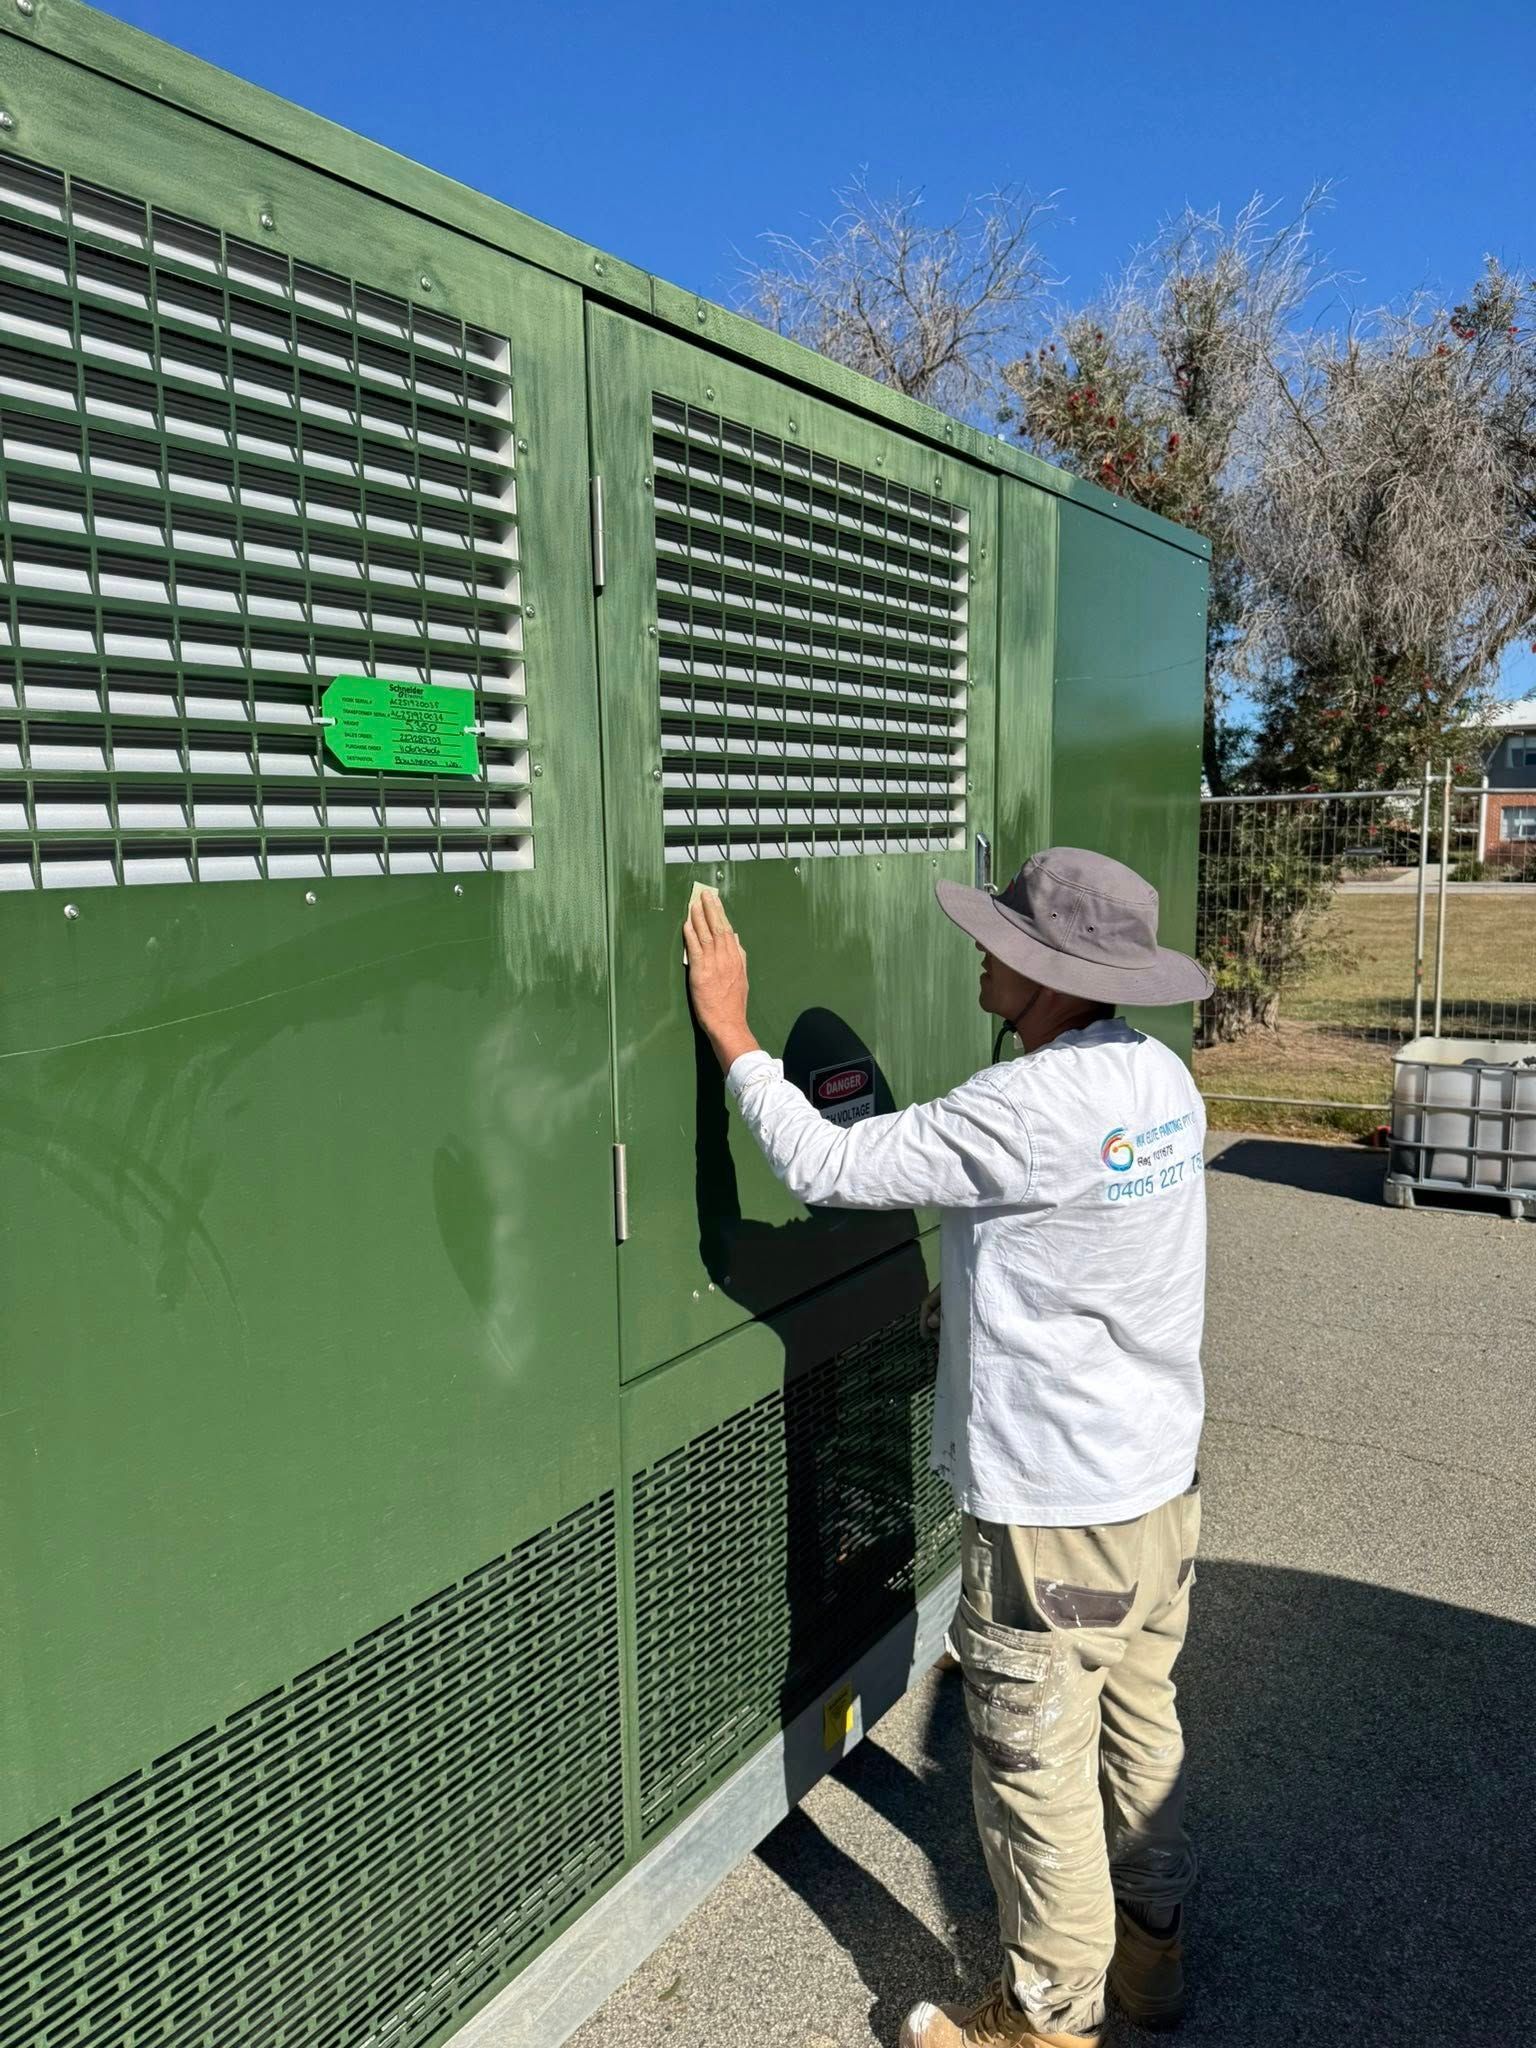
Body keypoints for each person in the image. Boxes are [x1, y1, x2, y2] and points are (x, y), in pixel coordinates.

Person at [683, 848, 1213, 2048]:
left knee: (1034, 1769)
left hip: (1054, 1511)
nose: (983, 950)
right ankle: (1152, 1958)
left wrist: (732, 1032)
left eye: (1002, 939)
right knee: (1141, 1723)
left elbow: (823, 1165)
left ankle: (1044, 2020)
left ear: (1047, 971)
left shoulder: (1024, 1106)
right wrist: (965, 1301)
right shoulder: (1160, 1080)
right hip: (1159, 1490)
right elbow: (1091, 1246)